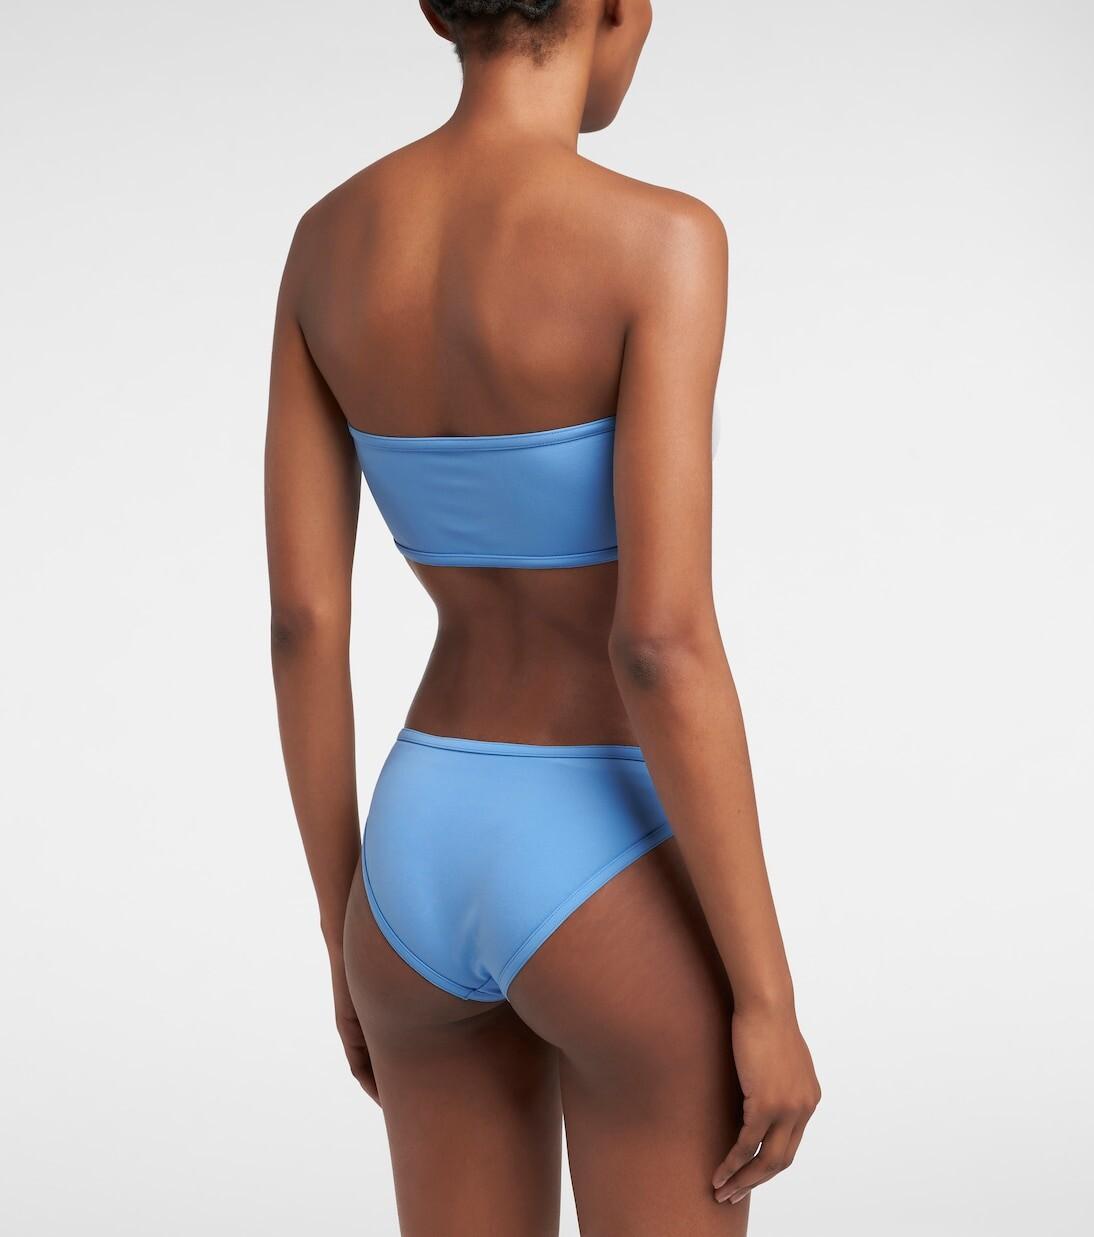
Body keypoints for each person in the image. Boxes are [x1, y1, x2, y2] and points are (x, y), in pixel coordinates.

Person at [265, 1, 820, 1232]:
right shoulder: (660, 241)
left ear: (435, 6)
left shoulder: (326, 241)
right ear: (615, 5)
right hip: (597, 850)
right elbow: (658, 643)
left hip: (409, 857)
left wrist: (345, 924)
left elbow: (302, 620)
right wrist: (765, 997)